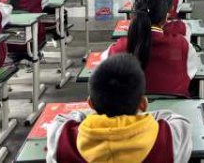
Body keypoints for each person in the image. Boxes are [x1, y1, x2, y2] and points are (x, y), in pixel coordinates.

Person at [46, 53, 192, 163]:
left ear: (90, 104)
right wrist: (139, 112)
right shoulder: (170, 137)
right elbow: (172, 117)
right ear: (143, 103)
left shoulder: (61, 138)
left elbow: (64, 118)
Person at [101, 0, 198, 97]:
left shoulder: (117, 49)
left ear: (132, 17)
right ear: (165, 19)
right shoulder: (183, 46)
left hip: (131, 106)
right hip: (173, 107)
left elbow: (104, 75)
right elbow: (191, 73)